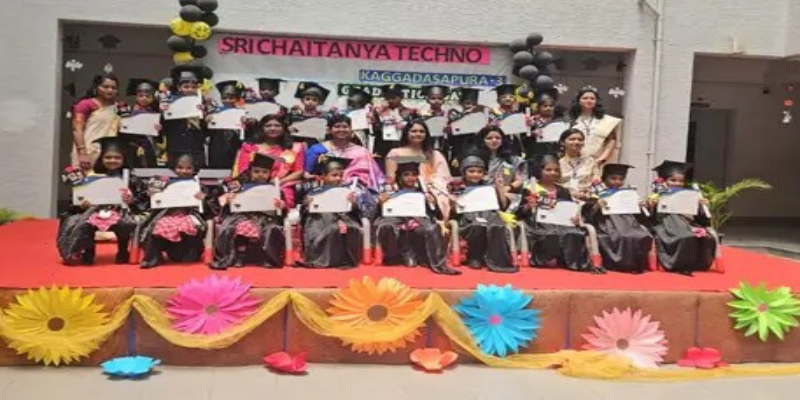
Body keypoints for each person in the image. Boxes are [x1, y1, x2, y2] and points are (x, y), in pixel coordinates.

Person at [57, 137, 140, 265]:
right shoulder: (90, 176)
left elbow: (141, 199)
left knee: (126, 224)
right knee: (85, 223)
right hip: (92, 211)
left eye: (117, 158)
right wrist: (82, 205)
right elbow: (75, 199)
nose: (112, 160)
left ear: (123, 159)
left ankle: (123, 251)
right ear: (102, 158)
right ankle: (88, 252)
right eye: (108, 157)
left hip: (120, 212)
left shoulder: (131, 178)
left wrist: (131, 200)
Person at [374, 158, 459, 275]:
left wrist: (433, 203)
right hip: (396, 221)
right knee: (386, 226)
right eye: (406, 174)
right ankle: (394, 257)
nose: (410, 178)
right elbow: (378, 214)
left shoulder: (423, 193)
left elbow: (437, 215)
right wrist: (380, 203)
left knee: (432, 228)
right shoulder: (390, 193)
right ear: (400, 177)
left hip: (418, 223)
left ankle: (439, 265)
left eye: (414, 174)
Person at [517, 154, 601, 273]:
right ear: (539, 170)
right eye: (548, 170)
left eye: (556, 170)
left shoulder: (563, 190)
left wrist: (575, 218)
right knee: (550, 233)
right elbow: (519, 213)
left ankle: (572, 263)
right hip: (539, 224)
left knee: (575, 233)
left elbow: (569, 209)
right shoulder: (531, 188)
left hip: (562, 224)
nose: (553, 173)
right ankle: (543, 259)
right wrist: (528, 206)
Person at [138, 153, 219, 269]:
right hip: (167, 214)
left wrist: (204, 200)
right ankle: (153, 258)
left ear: (194, 169)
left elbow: (213, 208)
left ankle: (190, 252)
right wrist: (152, 195)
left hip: (190, 215)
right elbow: (149, 204)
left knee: (187, 226)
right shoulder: (164, 184)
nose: (184, 171)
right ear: (174, 168)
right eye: (180, 167)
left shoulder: (199, 186)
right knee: (158, 225)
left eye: (188, 168)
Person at [211, 153, 287, 269]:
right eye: (256, 171)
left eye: (265, 172)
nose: (260, 175)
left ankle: (269, 258)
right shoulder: (239, 187)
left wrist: (281, 206)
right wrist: (229, 200)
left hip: (266, 218)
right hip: (242, 216)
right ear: (250, 172)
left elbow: (282, 212)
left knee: (272, 229)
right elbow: (223, 203)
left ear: (270, 173)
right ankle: (238, 256)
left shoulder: (275, 189)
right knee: (238, 227)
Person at [647, 160, 716, 275]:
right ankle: (678, 264)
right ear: (664, 181)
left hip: (686, 222)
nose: (677, 183)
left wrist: (701, 205)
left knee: (707, 238)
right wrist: (652, 205)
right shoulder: (656, 195)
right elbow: (650, 218)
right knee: (685, 237)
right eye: (673, 180)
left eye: (681, 181)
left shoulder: (688, 195)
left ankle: (697, 264)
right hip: (665, 225)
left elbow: (700, 218)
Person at [583, 164, 653, 273]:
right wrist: (597, 205)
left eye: (621, 179)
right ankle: (620, 265)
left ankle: (636, 265)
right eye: (613, 178)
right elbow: (588, 215)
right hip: (607, 224)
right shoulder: (596, 194)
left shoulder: (627, 194)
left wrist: (640, 207)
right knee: (621, 236)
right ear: (604, 179)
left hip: (628, 223)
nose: (617, 182)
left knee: (642, 235)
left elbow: (640, 218)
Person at [452, 154, 517, 272]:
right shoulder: (457, 188)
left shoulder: (489, 187)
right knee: (478, 225)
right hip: (468, 218)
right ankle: (475, 258)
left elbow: (503, 206)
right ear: (464, 172)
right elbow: (453, 212)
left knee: (497, 225)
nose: (475, 174)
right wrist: (454, 200)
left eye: (479, 172)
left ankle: (498, 260)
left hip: (489, 215)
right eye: (471, 171)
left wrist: (500, 188)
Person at [300, 156, 362, 268]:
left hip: (344, 218)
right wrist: (307, 204)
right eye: (334, 175)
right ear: (323, 176)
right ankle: (323, 259)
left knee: (351, 228)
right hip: (320, 220)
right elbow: (304, 213)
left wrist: (352, 204)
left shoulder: (347, 191)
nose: (338, 178)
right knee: (327, 228)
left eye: (341, 175)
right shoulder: (314, 192)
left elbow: (356, 212)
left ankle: (344, 259)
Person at [233, 114, 305, 208]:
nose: (272, 128)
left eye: (277, 125)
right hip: (252, 185)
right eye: (268, 126)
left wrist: (278, 182)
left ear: (284, 128)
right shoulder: (249, 147)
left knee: (280, 199)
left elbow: (299, 171)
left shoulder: (295, 148)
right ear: (261, 128)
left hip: (282, 186)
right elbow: (243, 170)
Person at [385, 120, 453, 219]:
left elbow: (443, 177)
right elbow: (391, 178)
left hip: (430, 192)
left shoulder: (434, 154)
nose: (418, 134)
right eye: (414, 131)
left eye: (421, 131)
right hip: (403, 191)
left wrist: (427, 187)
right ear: (406, 133)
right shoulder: (396, 153)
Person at [159, 64, 209, 168]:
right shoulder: (169, 103)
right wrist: (162, 114)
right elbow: (163, 130)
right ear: (179, 87)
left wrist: (205, 117)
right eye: (186, 87)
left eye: (193, 87)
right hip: (175, 148)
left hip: (196, 149)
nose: (190, 89)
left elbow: (207, 133)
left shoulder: (203, 104)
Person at [70, 73, 122, 172]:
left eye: (113, 88)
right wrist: (82, 153)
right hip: (88, 152)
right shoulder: (86, 105)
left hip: (110, 156)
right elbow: (77, 130)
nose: (110, 90)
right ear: (96, 87)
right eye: (105, 87)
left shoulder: (119, 108)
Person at [568, 88, 622, 165]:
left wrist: (602, 158)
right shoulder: (571, 120)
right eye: (585, 98)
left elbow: (611, 140)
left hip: (598, 161)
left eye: (592, 98)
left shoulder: (606, 120)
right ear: (578, 101)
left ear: (596, 101)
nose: (588, 101)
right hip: (574, 161)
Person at [478, 126, 526, 210]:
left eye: (498, 138)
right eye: (489, 138)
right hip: (482, 196)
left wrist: (508, 188)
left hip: (505, 196)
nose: (494, 140)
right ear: (482, 141)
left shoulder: (511, 159)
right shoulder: (476, 159)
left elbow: (519, 180)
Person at [117, 79, 159, 168]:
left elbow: (158, 136)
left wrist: (159, 129)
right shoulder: (128, 111)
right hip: (132, 145)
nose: (144, 98)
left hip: (149, 145)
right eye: (141, 96)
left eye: (148, 96)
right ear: (136, 97)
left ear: (153, 98)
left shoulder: (155, 113)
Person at [371, 84, 416, 162]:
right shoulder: (378, 112)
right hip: (383, 148)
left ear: (401, 97)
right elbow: (374, 130)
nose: (390, 100)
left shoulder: (410, 112)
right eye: (387, 98)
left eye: (393, 97)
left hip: (402, 146)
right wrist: (378, 115)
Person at [447, 87, 487, 174]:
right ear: (461, 104)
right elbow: (452, 141)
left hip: (477, 151)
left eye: (474, 104)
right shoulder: (455, 119)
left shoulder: (482, 119)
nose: (471, 106)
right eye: (468, 103)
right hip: (459, 151)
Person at [207, 80, 245, 169]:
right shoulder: (214, 113)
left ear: (238, 98)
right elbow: (207, 134)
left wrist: (247, 124)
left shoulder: (243, 113)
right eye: (224, 98)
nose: (227, 100)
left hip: (236, 146)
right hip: (217, 147)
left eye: (231, 98)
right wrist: (207, 122)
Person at [559, 128, 600, 200]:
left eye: (580, 140)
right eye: (572, 139)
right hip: (563, 199)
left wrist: (591, 191)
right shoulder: (557, 162)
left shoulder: (590, 161)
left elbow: (597, 181)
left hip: (586, 198)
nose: (576, 142)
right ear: (562, 142)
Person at [287, 81, 330, 146]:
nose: (310, 102)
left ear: (320, 102)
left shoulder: (323, 116)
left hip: (315, 143)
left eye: (314, 100)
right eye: (307, 99)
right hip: (297, 143)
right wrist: (289, 129)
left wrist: (326, 131)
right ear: (302, 100)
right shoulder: (295, 114)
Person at [489, 83, 525, 155]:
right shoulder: (492, 113)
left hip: (515, 144)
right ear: (498, 100)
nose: (508, 99)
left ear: (515, 100)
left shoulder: (518, 114)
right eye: (504, 97)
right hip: (499, 144)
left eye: (511, 97)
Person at [527, 91, 564, 158]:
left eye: (551, 106)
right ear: (539, 107)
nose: (548, 108)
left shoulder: (560, 121)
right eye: (545, 106)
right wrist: (532, 133)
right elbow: (525, 138)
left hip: (556, 152)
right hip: (537, 152)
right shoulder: (532, 120)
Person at [418, 85, 451, 150]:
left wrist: (449, 129)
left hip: (443, 144)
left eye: (440, 98)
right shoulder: (422, 113)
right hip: (426, 144)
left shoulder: (448, 114)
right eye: (433, 98)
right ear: (427, 100)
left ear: (444, 100)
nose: (436, 101)